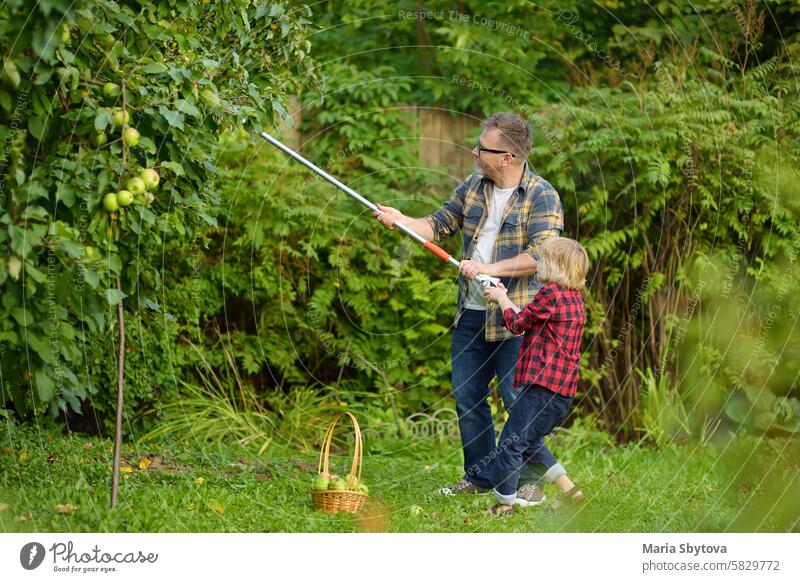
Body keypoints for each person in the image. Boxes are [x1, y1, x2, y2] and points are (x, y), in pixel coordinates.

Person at [373, 111, 572, 505]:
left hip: (518, 317)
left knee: (519, 403)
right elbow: (438, 224)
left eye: (483, 148)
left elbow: (542, 255)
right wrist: (401, 220)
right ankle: (481, 476)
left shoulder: (542, 194)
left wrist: (489, 269)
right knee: (468, 397)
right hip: (472, 312)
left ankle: (529, 479)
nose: (475, 152)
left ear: (507, 157)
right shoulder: (473, 187)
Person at [479, 237, 589, 515]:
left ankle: (504, 505)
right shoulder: (574, 298)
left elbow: (517, 324)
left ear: (555, 267)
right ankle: (570, 491)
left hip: (540, 389)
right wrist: (503, 297)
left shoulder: (550, 293)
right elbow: (529, 318)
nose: (538, 264)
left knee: (510, 443)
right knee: (530, 442)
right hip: (561, 394)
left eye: (542, 260)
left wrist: (501, 299)